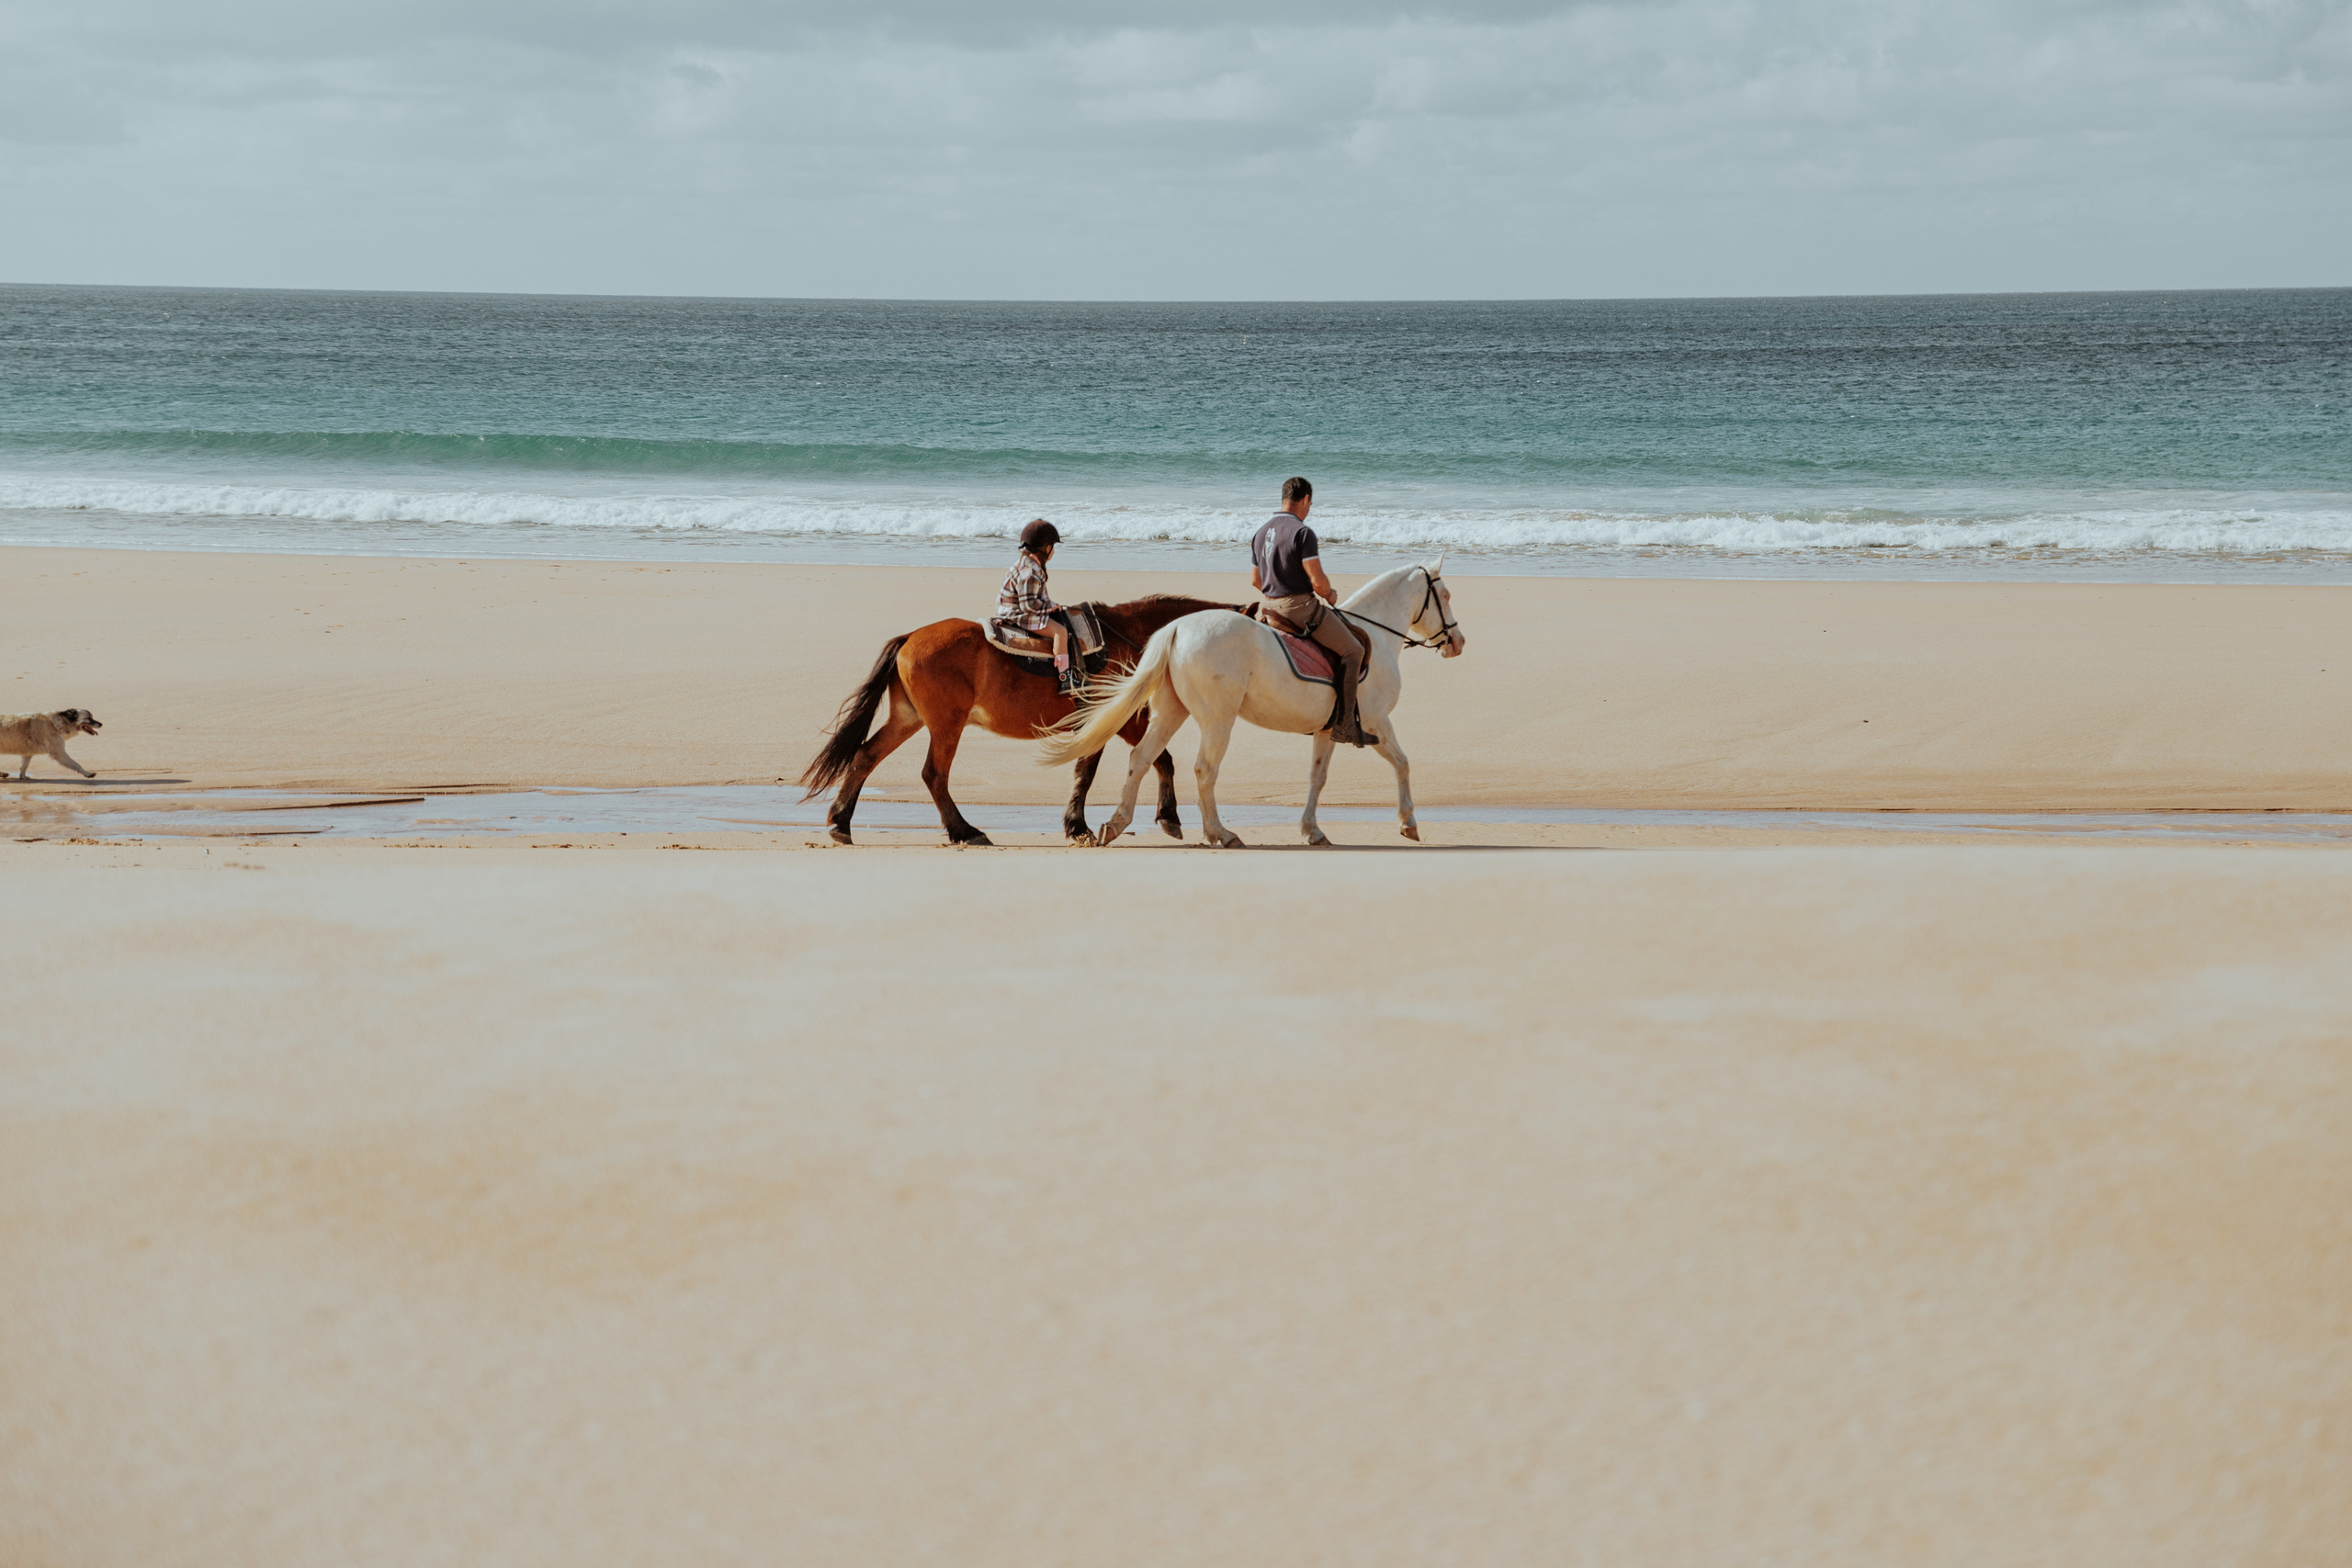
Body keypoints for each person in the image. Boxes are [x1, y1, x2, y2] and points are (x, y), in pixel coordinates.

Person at [1250, 476, 1378, 747]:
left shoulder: (1260, 532)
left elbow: (1255, 581)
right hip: (1298, 609)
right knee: (1354, 650)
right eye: (1310, 504)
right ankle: (1345, 725)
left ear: (1284, 498)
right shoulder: (1302, 532)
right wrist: (1329, 594)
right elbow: (1318, 582)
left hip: (1267, 608)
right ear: (1305, 500)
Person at [996, 518, 1086, 696]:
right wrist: (1049, 608)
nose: (1053, 551)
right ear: (1045, 548)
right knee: (1060, 632)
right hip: (1017, 613)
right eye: (1052, 546)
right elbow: (1029, 605)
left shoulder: (1027, 563)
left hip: (1017, 608)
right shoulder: (1029, 573)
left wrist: (1050, 605)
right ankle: (1064, 677)